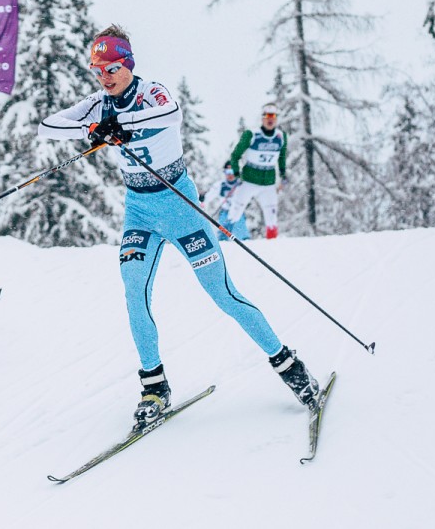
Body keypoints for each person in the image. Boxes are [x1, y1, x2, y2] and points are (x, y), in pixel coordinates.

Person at [37, 25, 320, 430]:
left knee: (222, 295)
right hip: (139, 210)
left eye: (113, 67)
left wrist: (123, 125)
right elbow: (48, 125)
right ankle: (154, 388)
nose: (106, 76)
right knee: (134, 289)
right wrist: (92, 128)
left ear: (128, 64)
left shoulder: (153, 93)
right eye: (98, 69)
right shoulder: (98, 104)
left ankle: (289, 366)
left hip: (180, 206)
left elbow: (171, 114)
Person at [225, 103, 288, 239]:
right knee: (236, 211)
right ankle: (224, 239)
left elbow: (282, 158)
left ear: (276, 119)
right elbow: (235, 155)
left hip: (268, 183)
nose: (270, 119)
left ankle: (272, 245)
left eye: (273, 116)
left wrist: (283, 175)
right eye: (267, 116)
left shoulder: (281, 136)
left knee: (271, 216)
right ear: (262, 118)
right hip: (249, 180)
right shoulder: (251, 134)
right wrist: (236, 173)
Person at [201, 163, 250, 241]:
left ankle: (245, 241)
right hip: (225, 212)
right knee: (223, 231)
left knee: (240, 229)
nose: (230, 175)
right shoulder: (221, 185)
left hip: (238, 211)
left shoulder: (241, 184)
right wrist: (202, 200)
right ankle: (223, 243)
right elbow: (209, 196)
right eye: (228, 172)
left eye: (232, 171)